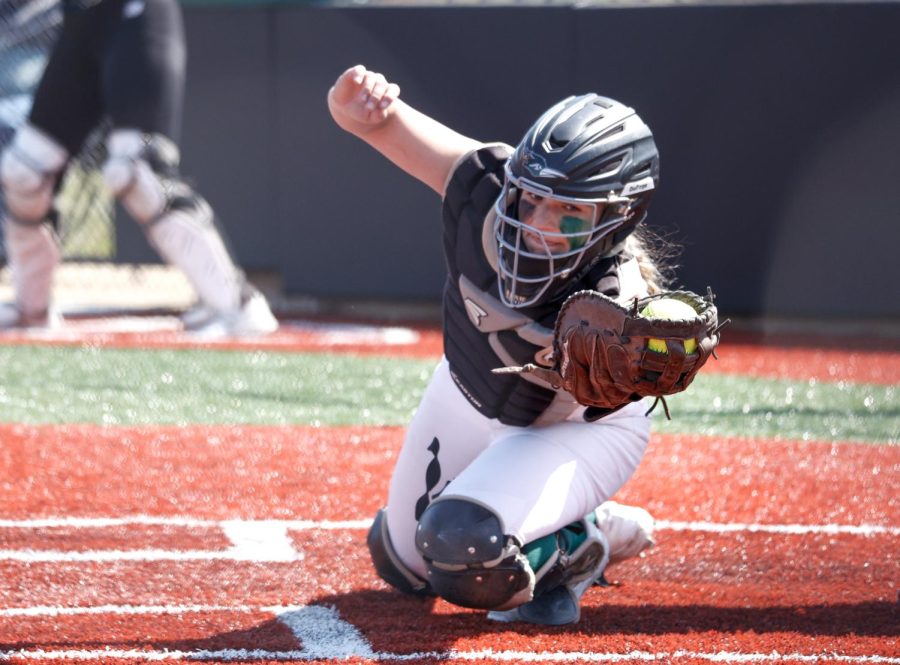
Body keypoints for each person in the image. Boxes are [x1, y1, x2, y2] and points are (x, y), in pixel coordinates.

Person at [328, 65, 671, 625]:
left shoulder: (618, 301)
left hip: (568, 434)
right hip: (465, 392)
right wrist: (357, 104)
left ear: (616, 221)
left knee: (467, 551)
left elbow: (625, 379)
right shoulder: (482, 189)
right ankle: (543, 519)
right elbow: (372, 122)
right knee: (402, 562)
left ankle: (582, 541)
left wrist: (644, 359)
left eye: (567, 212)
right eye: (530, 198)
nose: (535, 223)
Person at [0, 0, 277, 336]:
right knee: (24, 173)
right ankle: (32, 310)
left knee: (138, 173)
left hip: (136, 16)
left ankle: (236, 306)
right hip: (81, 22)